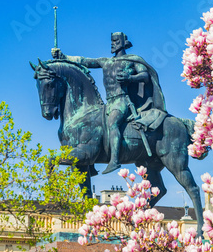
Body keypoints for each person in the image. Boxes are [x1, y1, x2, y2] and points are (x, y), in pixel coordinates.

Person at [52, 32, 166, 174]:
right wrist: (63, 57)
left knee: (112, 122)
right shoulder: (105, 62)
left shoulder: (133, 60)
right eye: (111, 41)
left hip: (122, 100)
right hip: (109, 102)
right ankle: (90, 161)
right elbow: (84, 61)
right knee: (91, 125)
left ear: (123, 43)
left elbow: (145, 76)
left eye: (115, 41)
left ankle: (114, 160)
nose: (112, 43)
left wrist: (129, 77)